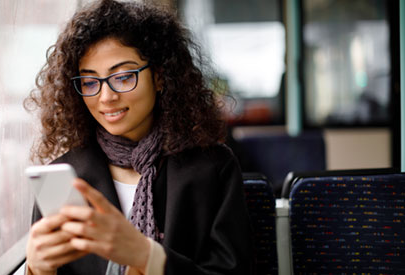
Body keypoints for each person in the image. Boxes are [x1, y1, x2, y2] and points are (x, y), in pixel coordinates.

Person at [24, 0, 254, 274]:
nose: (106, 97)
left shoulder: (212, 168)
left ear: (159, 77)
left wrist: (147, 257)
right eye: (89, 82)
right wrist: (36, 270)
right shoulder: (64, 177)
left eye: (123, 76)